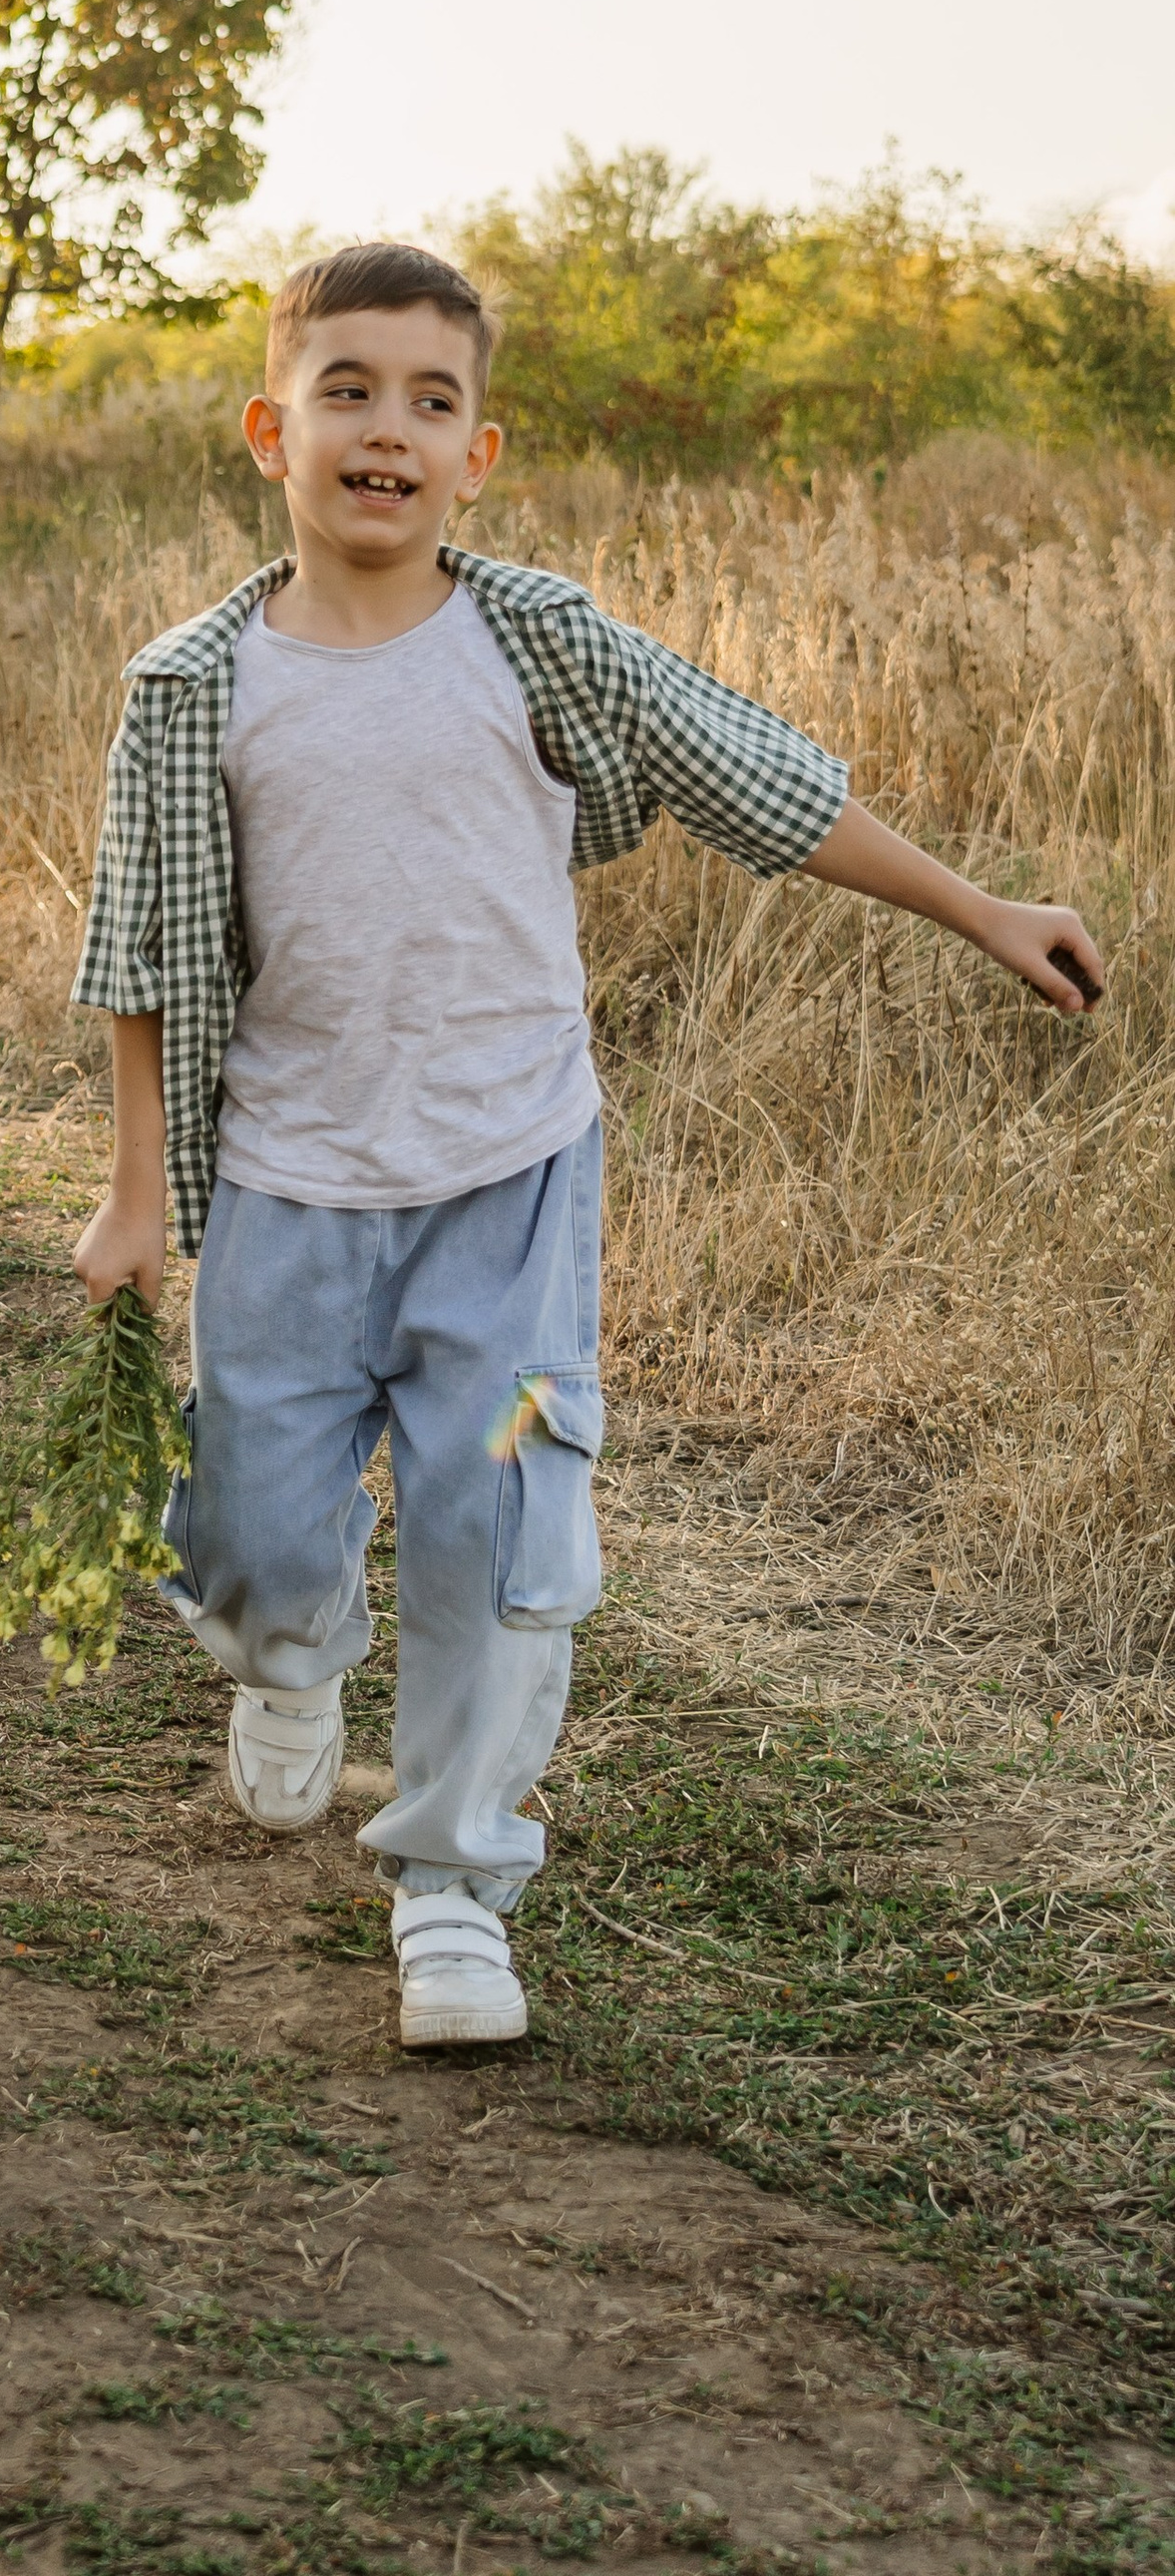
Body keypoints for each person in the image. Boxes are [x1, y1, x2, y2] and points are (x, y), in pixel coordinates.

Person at [70, 242, 1103, 2049]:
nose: (389, 426)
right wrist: (136, 1193)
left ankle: (456, 1883)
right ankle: (290, 1659)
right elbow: (140, 953)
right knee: (243, 1532)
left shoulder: (535, 636)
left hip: (513, 1185)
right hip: (291, 1192)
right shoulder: (190, 686)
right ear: (268, 429)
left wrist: (980, 904)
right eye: (350, 388)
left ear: (481, 453)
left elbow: (750, 770)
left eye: (432, 399)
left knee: (497, 1518)